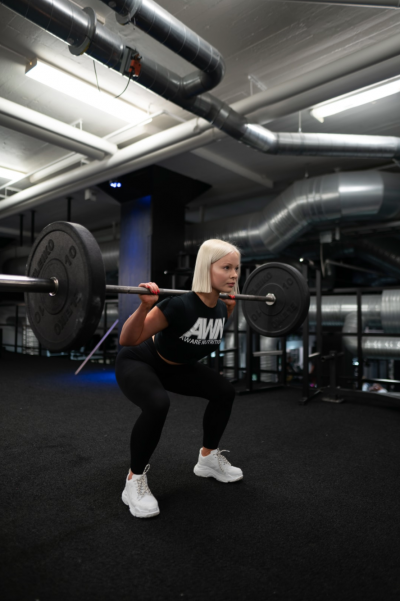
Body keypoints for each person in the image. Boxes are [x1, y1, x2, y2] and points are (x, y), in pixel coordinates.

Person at [115, 239, 243, 519]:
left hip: (177, 366)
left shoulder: (223, 308)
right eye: (226, 268)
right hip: (140, 361)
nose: (234, 274)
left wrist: (229, 312)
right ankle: (134, 481)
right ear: (206, 268)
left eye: (236, 268)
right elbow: (127, 339)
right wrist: (144, 307)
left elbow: (202, 338)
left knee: (224, 392)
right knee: (157, 404)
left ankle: (207, 459)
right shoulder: (176, 306)